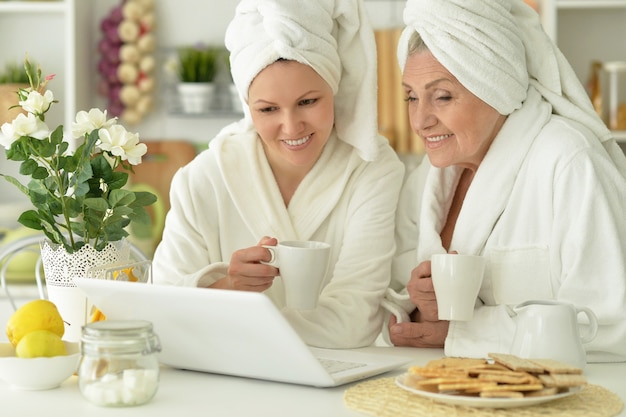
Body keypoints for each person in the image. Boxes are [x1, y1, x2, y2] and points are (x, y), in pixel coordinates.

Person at [383, 0, 626, 362]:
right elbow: (402, 301)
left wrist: (466, 332)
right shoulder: (430, 177)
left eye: (443, 96)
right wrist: (419, 307)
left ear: (495, 86)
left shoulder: (569, 161)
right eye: (412, 97)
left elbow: (611, 326)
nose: (420, 121)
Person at [152, 0, 404, 349]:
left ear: (334, 87)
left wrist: (224, 315)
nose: (291, 127)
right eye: (268, 109)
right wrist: (228, 287)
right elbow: (162, 308)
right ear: (248, 106)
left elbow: (355, 318)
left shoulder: (372, 171)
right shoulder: (203, 179)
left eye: (308, 102)